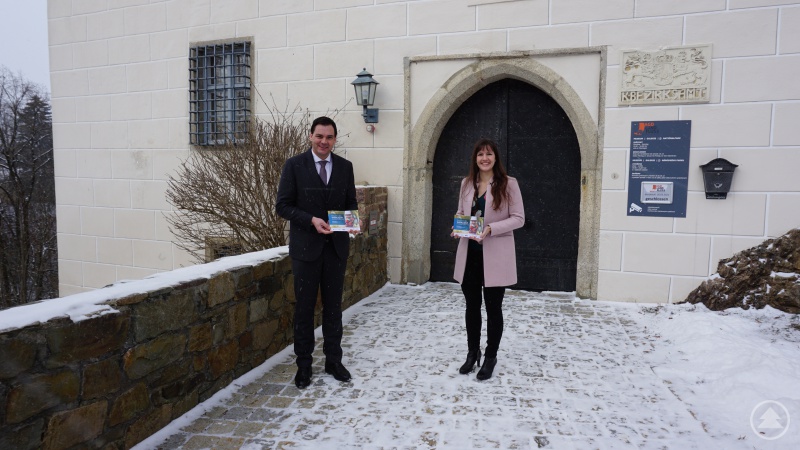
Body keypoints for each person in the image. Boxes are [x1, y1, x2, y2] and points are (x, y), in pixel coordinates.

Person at [276, 116, 359, 389]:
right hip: (305, 250)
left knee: (334, 309)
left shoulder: (345, 167)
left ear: (335, 139)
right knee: (304, 310)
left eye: (329, 137)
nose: (324, 142)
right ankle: (304, 365)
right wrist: (310, 220)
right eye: (320, 136)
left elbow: (351, 204)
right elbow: (283, 206)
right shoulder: (294, 165)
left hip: (336, 249)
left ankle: (334, 361)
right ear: (310, 136)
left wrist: (351, 223)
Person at [452, 138, 524, 380]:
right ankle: (473, 353)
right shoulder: (466, 184)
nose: (484, 158)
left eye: (489, 154)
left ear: (495, 158)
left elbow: (519, 218)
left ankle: (491, 356)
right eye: (480, 154)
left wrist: (492, 228)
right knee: (472, 307)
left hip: (496, 256)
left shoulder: (509, 184)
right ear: (475, 158)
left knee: (493, 308)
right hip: (470, 255)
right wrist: (457, 226)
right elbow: (461, 212)